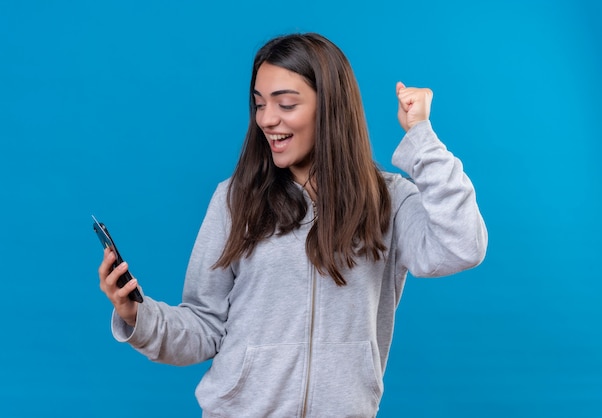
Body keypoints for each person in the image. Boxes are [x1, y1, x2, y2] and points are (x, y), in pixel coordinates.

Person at [98, 32, 488, 417]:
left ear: (330, 106)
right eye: (259, 104)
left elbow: (462, 246)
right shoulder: (235, 199)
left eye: (285, 104)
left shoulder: (387, 201)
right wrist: (137, 315)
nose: (267, 119)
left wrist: (421, 138)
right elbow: (205, 325)